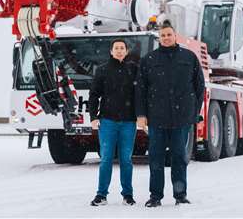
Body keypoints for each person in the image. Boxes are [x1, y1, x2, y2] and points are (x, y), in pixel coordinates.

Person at [135, 21, 205, 207]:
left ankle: (180, 195)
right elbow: (141, 89)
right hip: (156, 119)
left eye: (169, 34)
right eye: (163, 35)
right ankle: (155, 196)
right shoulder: (149, 59)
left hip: (182, 119)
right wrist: (141, 115)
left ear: (175, 36)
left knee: (179, 158)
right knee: (155, 159)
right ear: (159, 38)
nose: (166, 38)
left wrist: (193, 113)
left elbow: (200, 88)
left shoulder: (189, 58)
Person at [88, 39, 138, 206]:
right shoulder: (102, 70)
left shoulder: (133, 70)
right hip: (107, 121)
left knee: (126, 159)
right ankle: (101, 195)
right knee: (106, 159)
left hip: (128, 122)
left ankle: (128, 195)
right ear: (111, 51)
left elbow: (140, 94)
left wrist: (142, 116)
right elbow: (94, 95)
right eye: (116, 48)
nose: (119, 50)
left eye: (122, 48)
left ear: (126, 51)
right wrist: (93, 117)